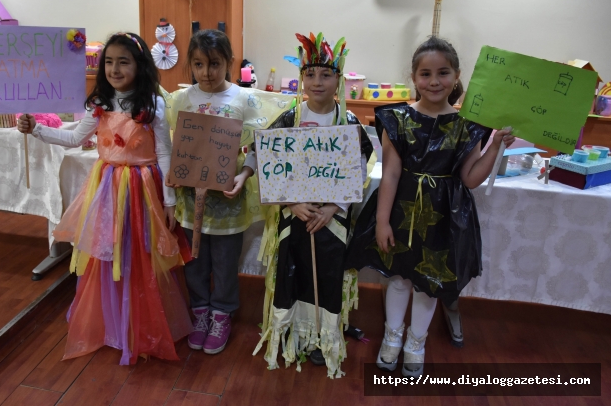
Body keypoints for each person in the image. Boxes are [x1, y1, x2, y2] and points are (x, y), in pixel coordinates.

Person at [17, 32, 193, 365]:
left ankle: (140, 322)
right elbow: (72, 138)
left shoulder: (152, 104)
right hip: (108, 188)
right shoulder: (98, 104)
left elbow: (165, 151)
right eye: (108, 61)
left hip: (142, 189)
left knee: (138, 253)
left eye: (123, 61)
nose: (114, 68)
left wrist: (169, 201)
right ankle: (113, 322)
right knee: (108, 252)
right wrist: (36, 129)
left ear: (139, 66)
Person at [346, 36, 514, 377]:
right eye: (425, 74)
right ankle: (392, 336)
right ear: (414, 77)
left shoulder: (468, 125)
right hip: (401, 212)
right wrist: (381, 223)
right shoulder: (397, 118)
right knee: (398, 278)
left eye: (443, 72)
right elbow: (390, 174)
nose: (434, 81)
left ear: (456, 75)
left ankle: (416, 341)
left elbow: (469, 179)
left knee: (430, 281)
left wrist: (495, 145)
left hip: (444, 218)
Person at [252, 33, 374, 379]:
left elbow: (358, 169)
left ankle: (323, 336)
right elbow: (267, 159)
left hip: (330, 219)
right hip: (295, 214)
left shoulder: (348, 123)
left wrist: (333, 207)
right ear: (301, 78)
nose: (317, 82)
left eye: (326, 74)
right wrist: (292, 201)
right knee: (294, 273)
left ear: (340, 79)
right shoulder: (289, 119)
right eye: (310, 74)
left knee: (328, 276)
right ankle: (294, 332)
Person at [163, 29, 292, 355]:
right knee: (193, 261)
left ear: (229, 63)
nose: (206, 73)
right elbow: (174, 142)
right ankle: (200, 312)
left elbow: (259, 142)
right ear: (191, 65)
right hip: (192, 202)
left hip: (227, 202)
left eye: (215, 64)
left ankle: (222, 314)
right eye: (199, 64)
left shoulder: (243, 99)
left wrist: (245, 173)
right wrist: (176, 173)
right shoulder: (182, 99)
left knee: (224, 263)